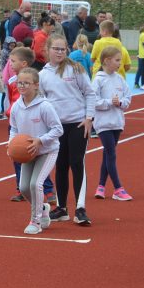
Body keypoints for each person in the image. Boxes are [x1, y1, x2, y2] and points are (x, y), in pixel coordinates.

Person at [40, 34, 96, 226]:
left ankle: (80, 208)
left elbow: (90, 93)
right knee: (61, 166)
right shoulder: (43, 74)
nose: (59, 52)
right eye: (56, 49)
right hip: (57, 127)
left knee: (76, 162)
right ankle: (62, 208)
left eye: (63, 49)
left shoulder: (76, 69)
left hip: (77, 124)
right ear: (47, 50)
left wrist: (89, 118)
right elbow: (42, 102)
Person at [10, 67, 63, 235]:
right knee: (24, 187)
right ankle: (44, 208)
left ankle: (36, 221)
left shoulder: (45, 106)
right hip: (28, 152)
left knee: (36, 184)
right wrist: (11, 143)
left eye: (26, 83)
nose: (22, 86)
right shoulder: (16, 107)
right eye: (20, 82)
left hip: (47, 150)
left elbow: (58, 129)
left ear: (36, 85)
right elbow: (14, 129)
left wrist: (40, 140)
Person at [5, 47, 56, 204]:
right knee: (18, 155)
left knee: (36, 158)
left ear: (24, 63)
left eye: (13, 61)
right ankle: (21, 188)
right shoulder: (12, 81)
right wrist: (9, 112)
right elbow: (9, 99)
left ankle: (47, 189)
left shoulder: (35, 83)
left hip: (32, 122)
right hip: (17, 121)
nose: (10, 64)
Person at [91, 46, 133, 201]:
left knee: (107, 154)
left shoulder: (120, 79)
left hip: (117, 122)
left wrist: (121, 102)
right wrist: (109, 102)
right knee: (111, 153)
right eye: (117, 60)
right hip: (103, 124)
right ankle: (118, 188)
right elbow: (93, 101)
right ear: (107, 61)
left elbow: (128, 98)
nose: (120, 63)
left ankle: (101, 186)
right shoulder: (98, 80)